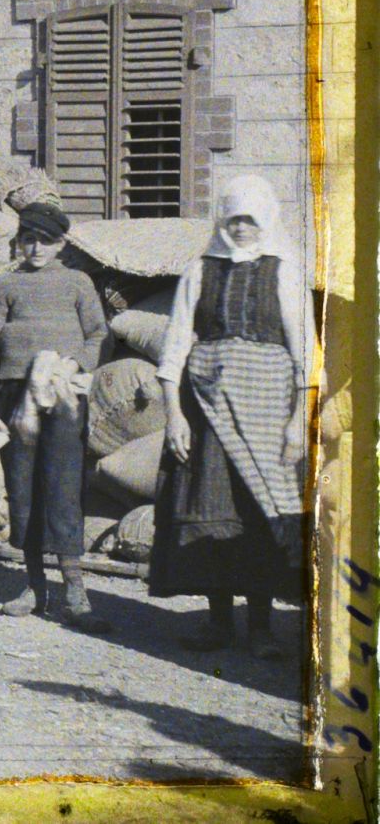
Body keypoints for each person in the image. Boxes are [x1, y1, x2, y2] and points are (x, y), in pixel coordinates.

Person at [147, 174, 313, 659]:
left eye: (251, 219)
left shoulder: (283, 270)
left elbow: (305, 351)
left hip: (266, 411)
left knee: (260, 514)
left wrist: (298, 421)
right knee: (211, 512)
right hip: (207, 409)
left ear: (266, 221)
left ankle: (260, 628)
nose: (241, 228)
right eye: (234, 218)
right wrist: (174, 414)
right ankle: (219, 623)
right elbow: (175, 344)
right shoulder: (201, 270)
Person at [0, 201, 111, 632]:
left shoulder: (77, 283)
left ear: (61, 243)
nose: (36, 248)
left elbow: (98, 335)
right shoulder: (5, 286)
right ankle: (34, 586)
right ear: (19, 241)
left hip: (64, 395)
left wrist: (75, 364)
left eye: (45, 240)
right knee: (22, 486)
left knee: (64, 485)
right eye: (28, 238)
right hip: (15, 397)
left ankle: (75, 591)